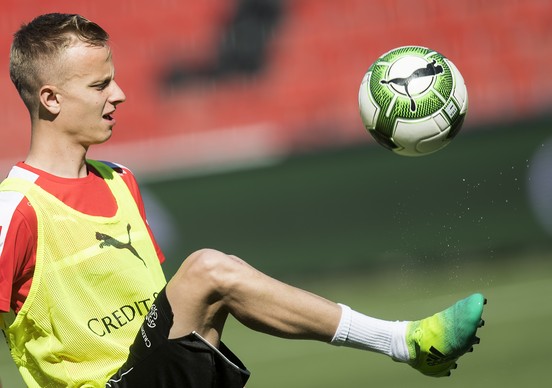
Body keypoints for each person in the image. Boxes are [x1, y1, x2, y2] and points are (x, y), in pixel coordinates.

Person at [0, 13, 486, 388]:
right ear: (51, 99)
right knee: (209, 270)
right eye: (100, 85)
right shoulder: (15, 209)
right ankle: (405, 341)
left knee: (206, 283)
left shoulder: (119, 180)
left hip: (158, 370)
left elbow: (163, 319)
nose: (120, 94)